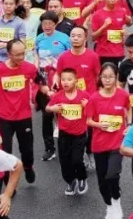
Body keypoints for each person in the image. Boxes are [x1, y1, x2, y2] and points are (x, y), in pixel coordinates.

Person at [0, 39, 47, 183]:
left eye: (23, 54)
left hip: (23, 115)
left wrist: (47, 91)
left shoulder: (29, 68)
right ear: (8, 54)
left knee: (27, 150)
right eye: (17, 55)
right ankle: (8, 182)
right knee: (5, 151)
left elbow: (40, 82)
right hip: (3, 116)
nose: (21, 57)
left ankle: (28, 167)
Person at [86, 62, 132, 218]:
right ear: (100, 78)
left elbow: (129, 108)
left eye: (111, 77)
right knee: (102, 181)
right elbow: (88, 121)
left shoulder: (122, 95)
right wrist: (99, 124)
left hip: (117, 143)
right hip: (99, 144)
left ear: (116, 77)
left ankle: (116, 201)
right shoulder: (94, 98)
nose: (107, 80)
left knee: (112, 174)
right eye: (104, 77)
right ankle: (109, 204)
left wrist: (129, 124)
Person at [45, 67, 90, 196]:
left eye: (69, 79)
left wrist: (88, 105)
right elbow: (47, 108)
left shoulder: (84, 95)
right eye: (63, 79)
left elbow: (94, 110)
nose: (65, 82)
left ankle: (82, 178)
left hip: (79, 134)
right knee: (64, 161)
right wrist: (53, 108)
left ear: (76, 80)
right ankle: (70, 181)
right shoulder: (58, 96)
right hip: (64, 134)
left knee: (77, 159)